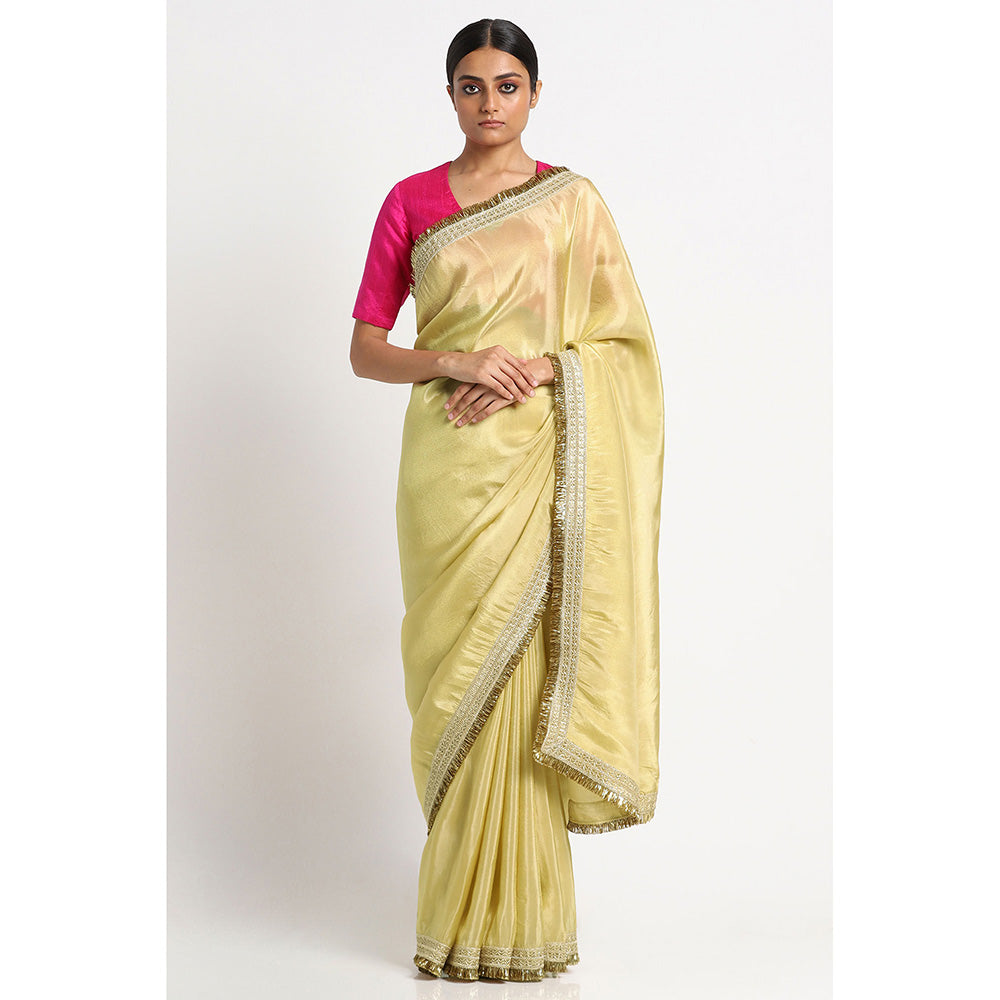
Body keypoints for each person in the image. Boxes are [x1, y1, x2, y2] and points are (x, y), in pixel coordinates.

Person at [350, 17, 665, 982]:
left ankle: (523, 928)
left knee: (525, 689)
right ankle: (454, 923)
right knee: (457, 685)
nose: (490, 102)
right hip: (447, 475)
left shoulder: (572, 204)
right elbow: (366, 349)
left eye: (508, 84)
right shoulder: (410, 201)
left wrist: (537, 367)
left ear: (534, 92)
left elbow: (624, 346)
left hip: (542, 472)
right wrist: (456, 360)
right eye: (472, 86)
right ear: (449, 94)